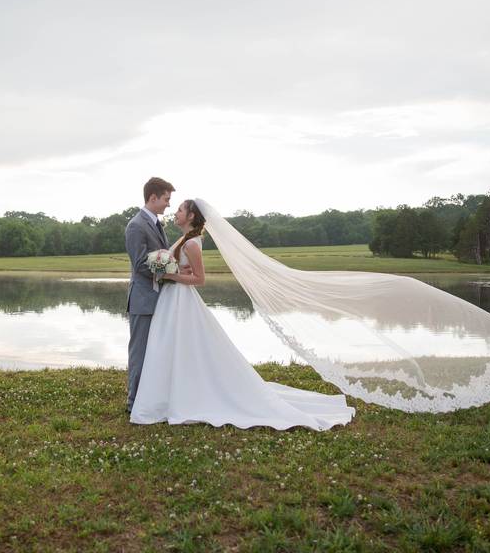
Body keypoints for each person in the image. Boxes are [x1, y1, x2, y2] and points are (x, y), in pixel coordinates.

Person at [129, 199, 356, 431]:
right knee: (174, 347)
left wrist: (171, 276)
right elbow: (176, 267)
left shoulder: (192, 245)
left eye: (179, 210)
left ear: (190, 216)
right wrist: (168, 271)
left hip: (181, 300)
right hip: (173, 300)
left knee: (183, 347)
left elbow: (200, 279)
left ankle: (182, 395)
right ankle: (169, 394)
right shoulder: (185, 240)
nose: (175, 212)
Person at [123, 177, 175, 414]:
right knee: (140, 352)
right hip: (143, 299)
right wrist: (172, 270)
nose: (168, 205)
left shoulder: (156, 224)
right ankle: (134, 402)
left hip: (158, 298)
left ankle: (152, 398)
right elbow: (141, 265)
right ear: (152, 197)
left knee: (156, 350)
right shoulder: (136, 225)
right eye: (166, 199)